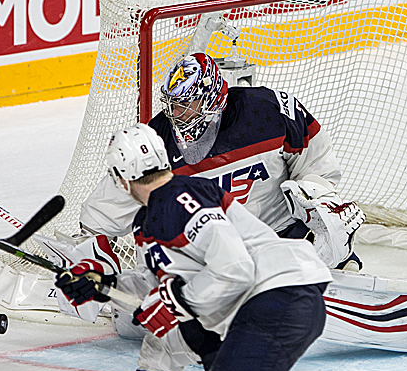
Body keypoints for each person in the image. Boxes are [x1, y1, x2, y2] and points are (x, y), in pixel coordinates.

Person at [56, 124, 331, 371]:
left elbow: (234, 268)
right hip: (256, 301)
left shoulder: (179, 199)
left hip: (276, 297)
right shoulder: (158, 211)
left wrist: (179, 300)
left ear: (121, 179)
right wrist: (103, 285)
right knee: (163, 345)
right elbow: (161, 284)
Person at [79, 28, 366, 274]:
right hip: (208, 257)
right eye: (172, 104)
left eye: (185, 105)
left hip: (283, 236)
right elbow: (101, 215)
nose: (175, 114)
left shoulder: (268, 112)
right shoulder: (156, 141)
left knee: (322, 207)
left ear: (211, 98)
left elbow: (317, 163)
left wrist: (319, 204)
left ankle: (330, 260)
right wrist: (90, 258)